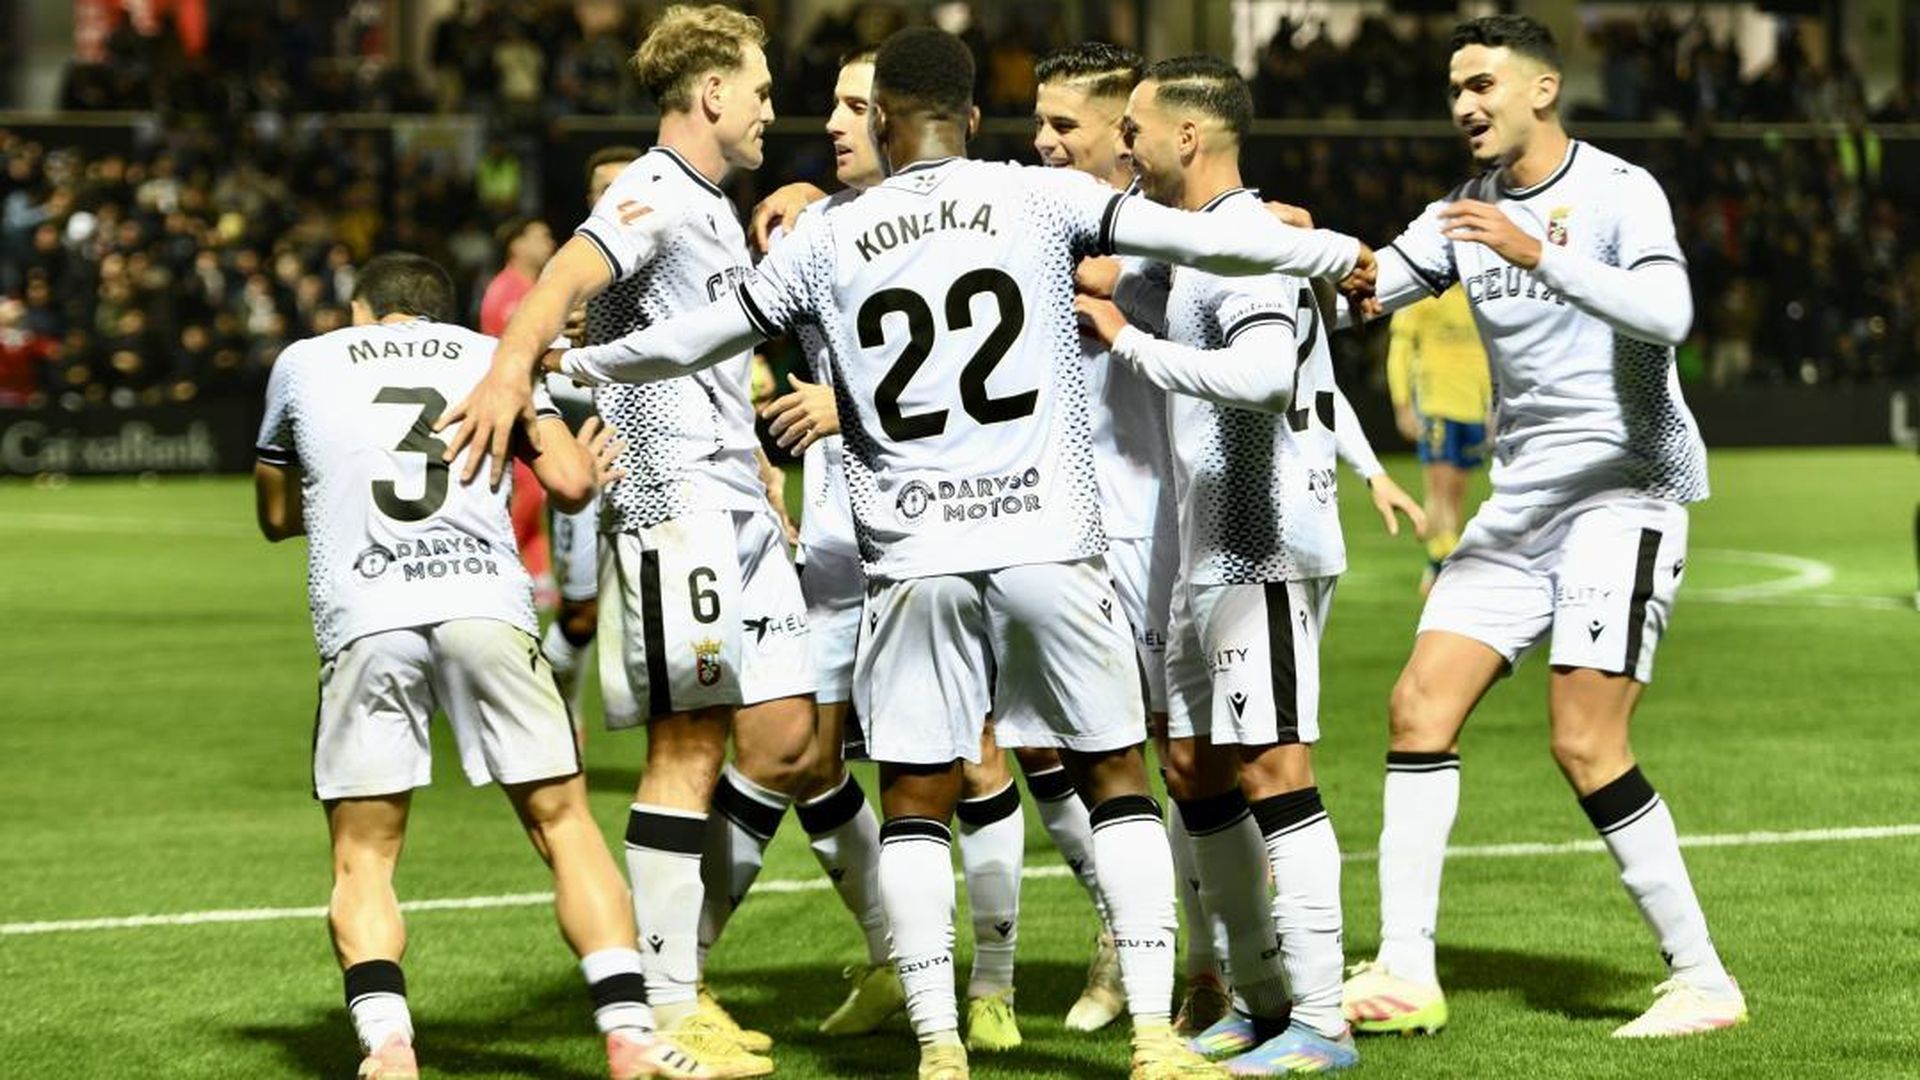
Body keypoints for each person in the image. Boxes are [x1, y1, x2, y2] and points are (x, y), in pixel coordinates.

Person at [469, 26, 1381, 1080]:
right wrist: (1336, 254)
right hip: (1047, 538)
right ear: (975, 116)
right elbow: (1204, 240)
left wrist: (570, 362)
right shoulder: (1039, 197)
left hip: (913, 551)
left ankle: (940, 1045)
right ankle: (1150, 1036)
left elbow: (700, 336)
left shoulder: (831, 236)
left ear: (888, 122)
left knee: (913, 798)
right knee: (1115, 775)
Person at [436, 8, 885, 1071]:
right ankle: (673, 1004)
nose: (772, 109)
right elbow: (565, 276)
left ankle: (878, 959)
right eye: (762, 90)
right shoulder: (652, 190)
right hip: (675, 512)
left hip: (736, 505)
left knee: (791, 741)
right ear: (712, 93)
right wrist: (508, 372)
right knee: (686, 750)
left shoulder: (710, 207)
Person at [1336, 14, 1747, 1040]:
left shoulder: (1618, 191)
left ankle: (1703, 980)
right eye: (1454, 89)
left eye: (1482, 84)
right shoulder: (1462, 211)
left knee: (1584, 739)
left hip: (1625, 490)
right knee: (1417, 707)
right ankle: (1406, 972)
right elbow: (1361, 294)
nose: (1464, 105)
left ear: (1543, 88)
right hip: (1521, 506)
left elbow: (1670, 315)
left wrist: (1539, 251)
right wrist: (1286, 252)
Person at [253, 252, 710, 1080]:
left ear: (362, 311)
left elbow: (277, 514)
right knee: (564, 826)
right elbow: (569, 482)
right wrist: (581, 464)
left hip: (368, 615)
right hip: (484, 605)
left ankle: (388, 1045)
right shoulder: (492, 353)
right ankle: (629, 1035)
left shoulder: (305, 361)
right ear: (444, 309)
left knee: (365, 856)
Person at [1074, 55, 1422, 1076]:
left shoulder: (1247, 245)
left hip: (1263, 543)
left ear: (1187, 136)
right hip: (1206, 545)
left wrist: (1127, 344)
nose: (1123, 144)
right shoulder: (1196, 245)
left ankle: (1320, 1019)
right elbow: (1100, 273)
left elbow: (1266, 375)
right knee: (1195, 768)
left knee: (1274, 765)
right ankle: (1260, 999)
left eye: (1135, 127)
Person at [541, 145, 642, 719]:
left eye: (626, 185)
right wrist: (571, 346)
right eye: (604, 188)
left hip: (652, 461)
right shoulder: (568, 272)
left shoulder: (664, 265)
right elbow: (538, 366)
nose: (615, 197)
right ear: (589, 200)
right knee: (580, 613)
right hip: (586, 452)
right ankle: (550, 710)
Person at [1384, 285, 1491, 592]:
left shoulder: (1479, 292)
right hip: (1436, 403)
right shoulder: (1423, 292)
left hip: (1473, 405)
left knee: (1456, 491)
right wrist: (1402, 405)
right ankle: (1442, 561)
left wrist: (1491, 405)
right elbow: (1400, 351)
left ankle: (1441, 564)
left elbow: (1489, 354)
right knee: (1439, 488)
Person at [481, 215, 560, 606]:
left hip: (533, 399)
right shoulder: (509, 293)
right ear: (517, 244)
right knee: (527, 490)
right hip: (516, 404)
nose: (549, 241)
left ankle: (540, 579)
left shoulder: (533, 288)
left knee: (535, 494)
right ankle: (494, 566)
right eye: (539, 235)